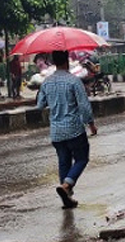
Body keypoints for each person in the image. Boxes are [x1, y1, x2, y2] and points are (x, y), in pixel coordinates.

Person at [36, 50, 97, 209]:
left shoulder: (46, 82)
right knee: (82, 158)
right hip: (74, 129)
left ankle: (67, 198)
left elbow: (40, 105)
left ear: (54, 62)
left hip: (56, 131)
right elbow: (84, 105)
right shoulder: (74, 81)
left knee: (64, 162)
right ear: (67, 61)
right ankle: (67, 186)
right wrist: (90, 123)